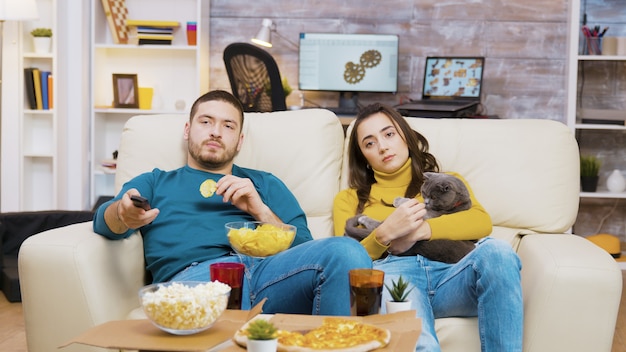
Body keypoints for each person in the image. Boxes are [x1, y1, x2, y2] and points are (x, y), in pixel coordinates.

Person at [93, 89, 371, 315]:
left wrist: (259, 209)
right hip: (198, 277)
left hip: (269, 275)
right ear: (188, 129)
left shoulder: (263, 183)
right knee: (225, 305)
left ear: (239, 141)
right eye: (206, 122)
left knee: (347, 251)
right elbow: (104, 222)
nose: (215, 132)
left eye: (227, 126)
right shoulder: (156, 181)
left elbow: (305, 250)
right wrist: (123, 213)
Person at [333, 103, 523, 351]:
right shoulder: (349, 199)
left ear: (406, 137)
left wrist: (420, 231)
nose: (382, 146)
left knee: (499, 252)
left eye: (389, 134)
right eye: (369, 143)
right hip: (395, 276)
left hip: (453, 276)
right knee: (421, 342)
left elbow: (480, 222)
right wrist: (384, 234)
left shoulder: (444, 182)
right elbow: (344, 259)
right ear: (363, 158)